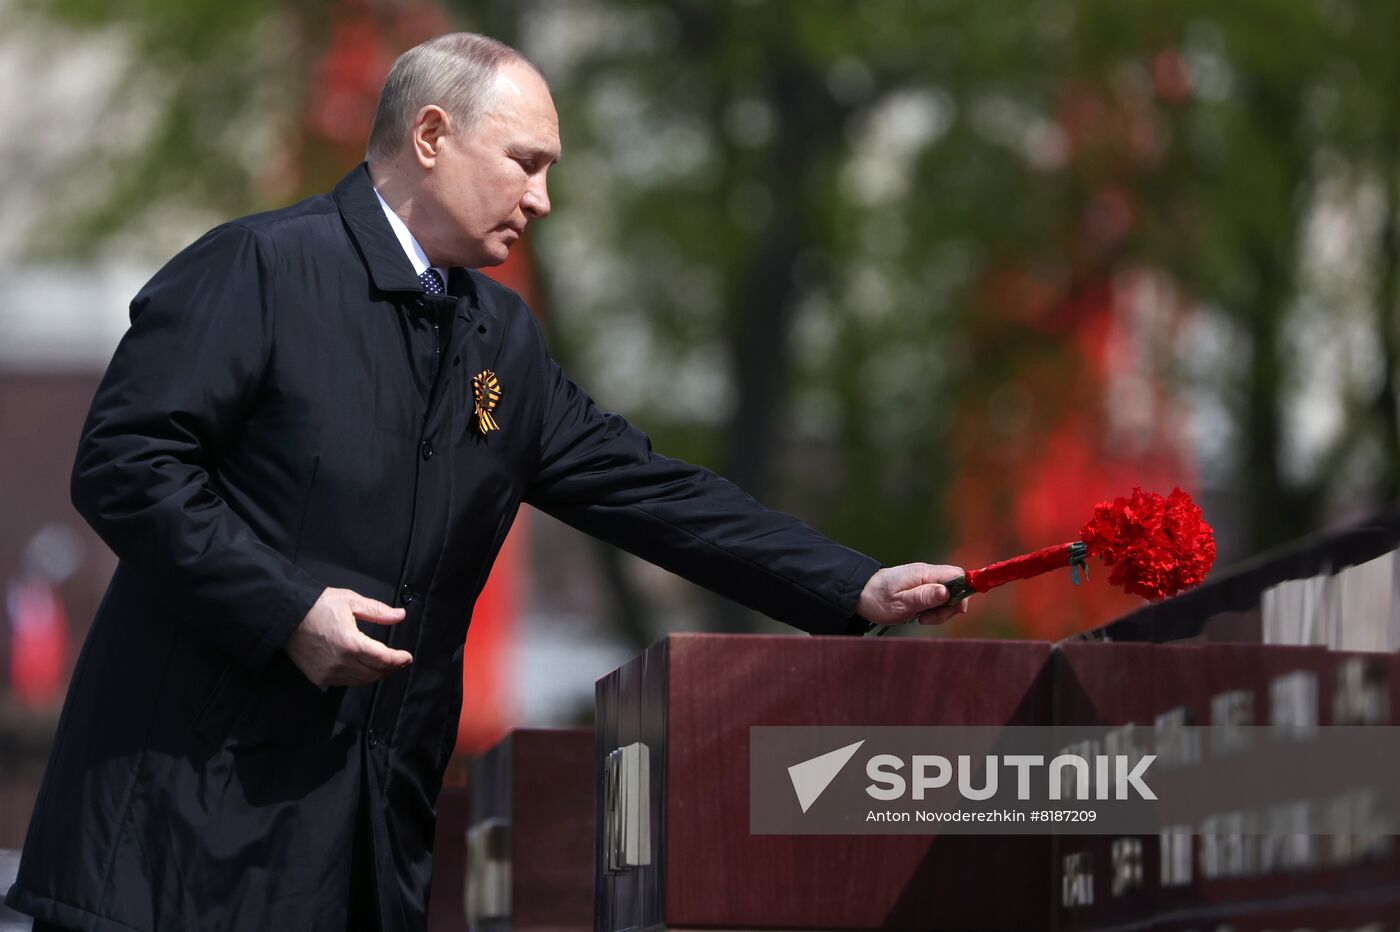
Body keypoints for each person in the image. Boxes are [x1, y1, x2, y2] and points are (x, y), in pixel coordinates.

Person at [6, 32, 968, 932]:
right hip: (175, 848)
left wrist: (851, 584)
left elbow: (648, 489)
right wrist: (285, 609)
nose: (542, 200)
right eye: (527, 163)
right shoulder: (260, 267)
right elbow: (126, 464)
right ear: (431, 135)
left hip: (363, 859)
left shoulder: (500, 339)